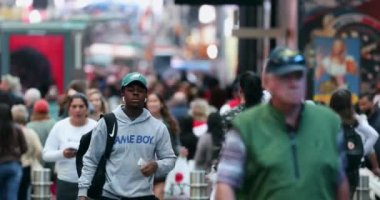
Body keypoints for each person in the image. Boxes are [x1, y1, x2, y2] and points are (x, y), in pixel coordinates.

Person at [215, 47, 349, 200]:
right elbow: (226, 183)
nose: (293, 83)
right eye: (284, 76)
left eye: (298, 76)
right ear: (267, 81)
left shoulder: (329, 123)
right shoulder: (245, 127)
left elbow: (340, 181)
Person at [78, 72, 176, 200]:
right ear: (123, 94)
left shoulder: (158, 127)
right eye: (131, 90)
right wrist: (82, 192)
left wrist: (157, 165)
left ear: (146, 94)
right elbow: (91, 159)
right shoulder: (107, 123)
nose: (135, 93)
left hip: (143, 196)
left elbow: (170, 160)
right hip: (111, 196)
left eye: (140, 90)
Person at [43, 93, 97, 200]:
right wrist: (62, 154)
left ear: (87, 109)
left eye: (81, 106)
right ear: (69, 109)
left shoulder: (95, 126)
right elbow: (46, 154)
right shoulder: (59, 126)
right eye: (74, 106)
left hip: (89, 182)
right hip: (65, 181)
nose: (78, 110)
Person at [330, 89, 378, 197]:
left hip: (339, 173)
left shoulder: (330, 120)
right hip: (359, 170)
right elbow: (373, 135)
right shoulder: (356, 119)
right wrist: (360, 153)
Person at [146, 92, 181, 200]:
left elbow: (176, 145)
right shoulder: (139, 122)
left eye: (155, 101)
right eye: (150, 101)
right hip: (144, 170)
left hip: (163, 171)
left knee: (159, 195)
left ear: (161, 104)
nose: (152, 104)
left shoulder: (169, 123)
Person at [11, 104, 43, 200]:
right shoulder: (31, 132)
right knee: (24, 194)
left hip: (12, 165)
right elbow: (39, 150)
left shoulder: (9, 132)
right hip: (27, 166)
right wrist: (33, 158)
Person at [0, 103, 28, 200]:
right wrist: (16, 154)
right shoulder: (16, 128)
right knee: (12, 196)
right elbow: (24, 147)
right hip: (14, 164)